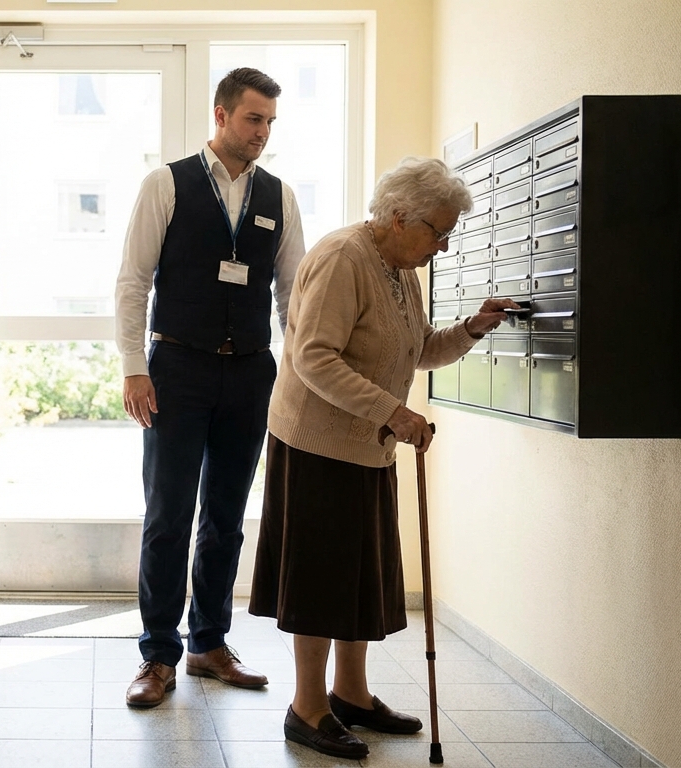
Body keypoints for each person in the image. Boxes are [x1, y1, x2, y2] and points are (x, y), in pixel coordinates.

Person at [247, 157, 518, 758]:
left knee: (356, 573)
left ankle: (351, 695)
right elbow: (313, 358)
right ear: (399, 217)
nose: (443, 247)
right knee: (320, 578)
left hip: (366, 445)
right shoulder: (344, 257)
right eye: (438, 232)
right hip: (316, 444)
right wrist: (393, 413)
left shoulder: (402, 269)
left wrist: (473, 328)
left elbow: (416, 350)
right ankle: (306, 708)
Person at [114, 67, 306, 708]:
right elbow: (132, 282)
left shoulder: (279, 196)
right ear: (221, 115)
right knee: (168, 515)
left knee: (225, 518)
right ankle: (158, 654)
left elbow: (292, 294)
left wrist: (297, 374)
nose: (263, 133)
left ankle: (209, 643)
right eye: (254, 119)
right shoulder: (166, 183)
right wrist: (133, 367)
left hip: (250, 372)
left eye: (271, 122)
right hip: (177, 370)